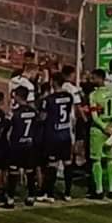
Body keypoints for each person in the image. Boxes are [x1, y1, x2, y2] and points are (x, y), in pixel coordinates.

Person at [39, 72, 75, 202]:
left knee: (52, 164)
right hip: (65, 134)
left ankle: (49, 194)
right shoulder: (69, 96)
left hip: (53, 135)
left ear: (53, 81)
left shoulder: (48, 99)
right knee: (67, 163)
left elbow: (42, 117)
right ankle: (67, 193)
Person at [88, 69, 112, 199]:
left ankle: (99, 190)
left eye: (93, 78)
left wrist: (104, 127)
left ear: (99, 78)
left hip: (98, 130)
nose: (91, 81)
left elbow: (94, 117)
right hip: (111, 129)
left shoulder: (93, 95)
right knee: (110, 159)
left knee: (96, 160)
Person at [3, 87, 39, 208]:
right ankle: (31, 196)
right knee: (29, 171)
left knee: (13, 172)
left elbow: (6, 127)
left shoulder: (14, 112)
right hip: (30, 144)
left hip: (17, 145)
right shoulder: (34, 111)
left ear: (18, 96)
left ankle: (10, 198)